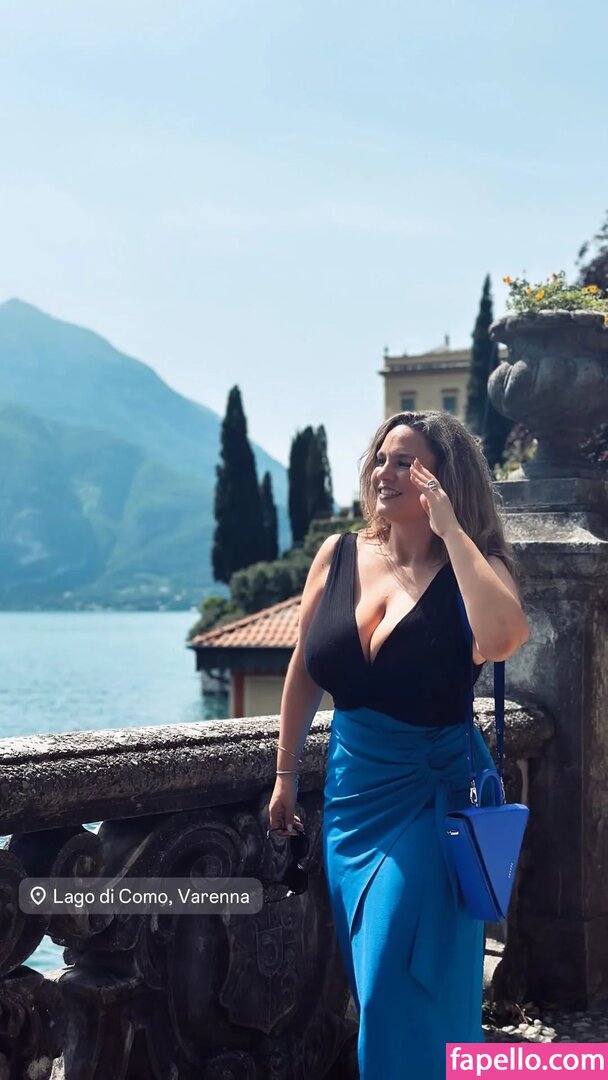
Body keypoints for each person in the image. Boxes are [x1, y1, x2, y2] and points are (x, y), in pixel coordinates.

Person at [268, 411, 530, 1079]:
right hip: (350, 799)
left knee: (394, 981)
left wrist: (453, 533)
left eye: (407, 462)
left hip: (429, 801)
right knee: (374, 989)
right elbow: (304, 667)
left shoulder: (478, 567)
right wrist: (285, 774)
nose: (385, 472)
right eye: (382, 459)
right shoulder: (338, 555)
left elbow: (502, 639)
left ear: (445, 481)